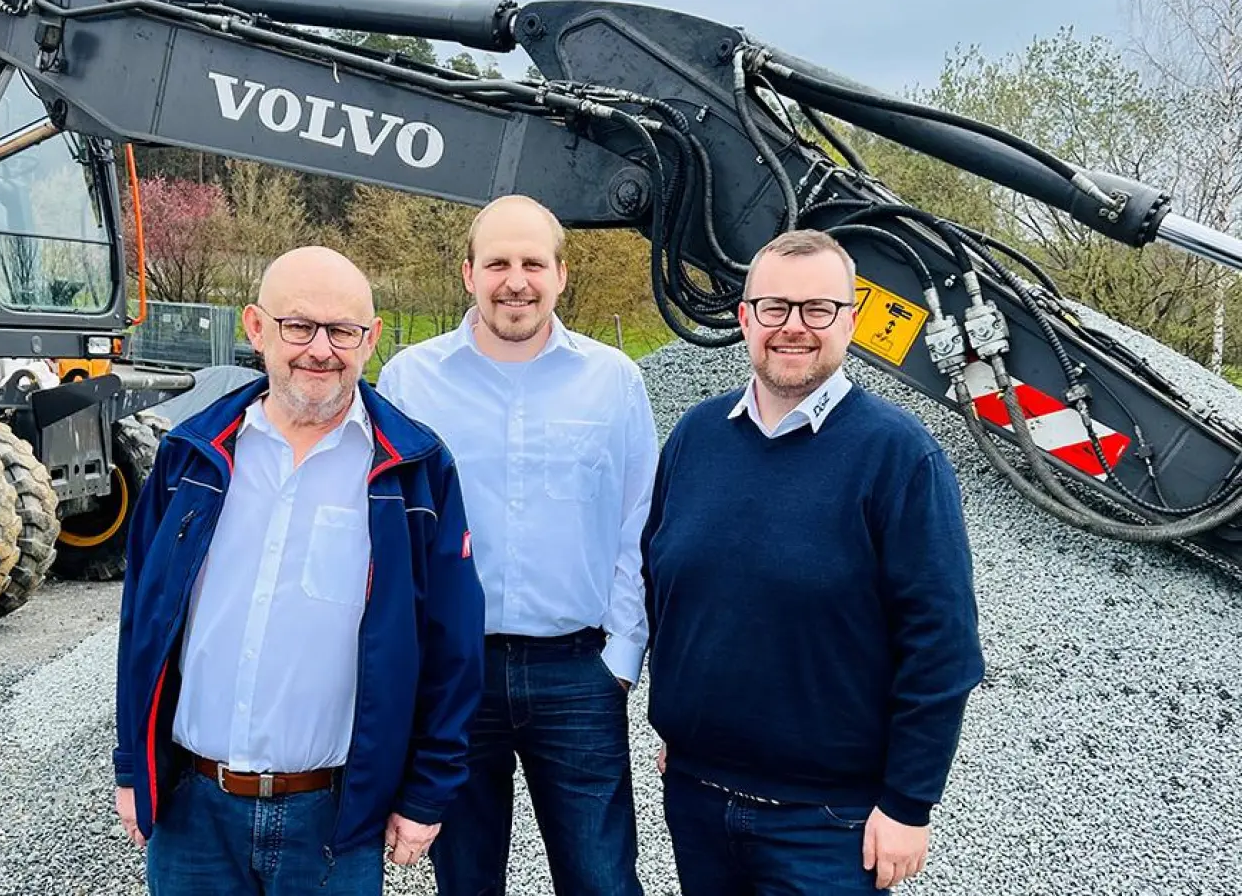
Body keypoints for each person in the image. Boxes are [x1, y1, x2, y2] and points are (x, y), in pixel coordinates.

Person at [112, 245, 487, 895]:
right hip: (194, 811)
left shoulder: (415, 471)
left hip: (334, 820)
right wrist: (131, 766)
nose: (321, 349)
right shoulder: (190, 458)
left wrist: (428, 791)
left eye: (342, 331)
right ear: (256, 328)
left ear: (369, 340)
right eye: (299, 326)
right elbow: (140, 621)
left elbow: (452, 645)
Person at [642, 229, 986, 894]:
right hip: (696, 799)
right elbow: (667, 584)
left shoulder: (899, 457)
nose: (793, 327)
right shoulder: (696, 437)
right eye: (774, 308)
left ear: (850, 321)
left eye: (817, 310)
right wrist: (684, 720)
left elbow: (941, 646)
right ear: (744, 318)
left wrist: (908, 805)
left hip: (830, 824)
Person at [378, 194, 657, 896]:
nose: (516, 280)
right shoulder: (412, 380)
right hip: (455, 676)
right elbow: (393, 532)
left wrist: (619, 660)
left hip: (578, 673)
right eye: (497, 262)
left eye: (534, 262)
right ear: (468, 272)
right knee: (466, 881)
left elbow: (640, 524)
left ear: (562, 275)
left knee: (601, 882)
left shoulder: (614, 381)